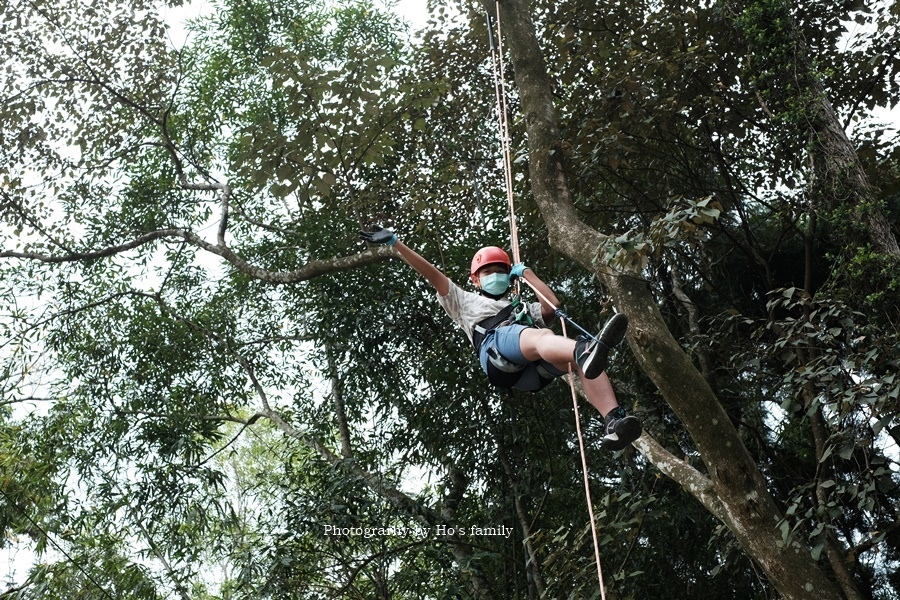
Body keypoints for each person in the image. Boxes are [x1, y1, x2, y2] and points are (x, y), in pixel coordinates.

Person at [360, 225, 642, 451]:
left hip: (529, 376)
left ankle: (612, 421)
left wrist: (527, 274)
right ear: (475, 279)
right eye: (487, 271)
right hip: (497, 354)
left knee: (577, 361)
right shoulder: (463, 301)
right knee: (544, 336)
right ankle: (583, 349)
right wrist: (396, 243)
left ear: (509, 277)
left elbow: (552, 306)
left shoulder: (521, 307)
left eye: (500, 271)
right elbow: (432, 275)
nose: (494, 275)